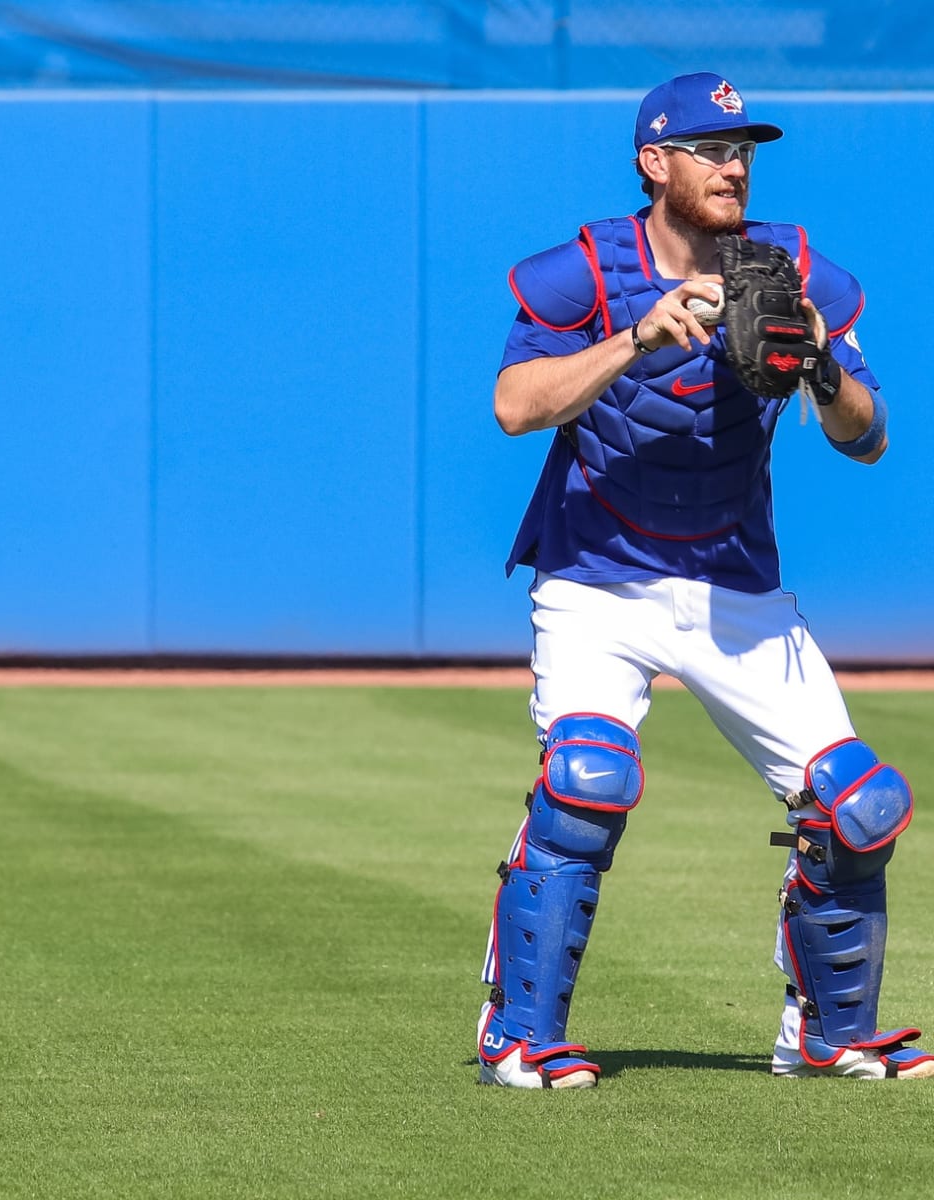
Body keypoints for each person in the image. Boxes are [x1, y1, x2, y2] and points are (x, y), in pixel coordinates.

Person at [475, 71, 933, 1089]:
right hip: (597, 578)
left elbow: (870, 438)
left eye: (746, 149)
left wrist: (822, 362)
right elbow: (514, 405)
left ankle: (826, 1034)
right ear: (655, 161)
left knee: (859, 804)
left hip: (734, 585)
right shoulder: (586, 269)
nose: (735, 164)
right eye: (712, 147)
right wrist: (635, 337)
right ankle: (518, 1036)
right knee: (586, 781)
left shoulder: (796, 270)